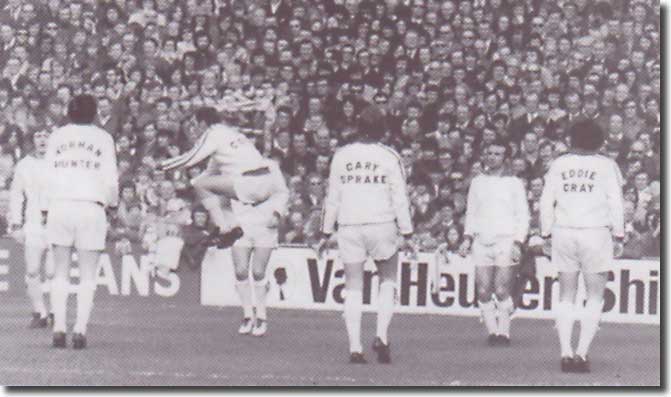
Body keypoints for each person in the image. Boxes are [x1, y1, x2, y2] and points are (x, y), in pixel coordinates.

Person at [314, 105, 415, 364]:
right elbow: (400, 197)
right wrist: (408, 232)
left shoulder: (341, 156)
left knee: (353, 285)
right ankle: (381, 335)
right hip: (382, 223)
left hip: (349, 225)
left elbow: (332, 198)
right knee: (388, 279)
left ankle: (355, 348)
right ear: (382, 128)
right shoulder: (389, 155)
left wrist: (326, 232)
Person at [540, 119, 625, 373]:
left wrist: (546, 233)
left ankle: (565, 352)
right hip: (595, 233)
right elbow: (616, 203)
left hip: (564, 232)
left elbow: (546, 202)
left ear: (571, 139)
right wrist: (619, 235)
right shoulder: (607, 166)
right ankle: (582, 353)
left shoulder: (558, 164)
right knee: (594, 296)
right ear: (599, 141)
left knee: (566, 294)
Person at [43, 94, 119, 349]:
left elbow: (48, 174)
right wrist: (114, 205)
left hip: (60, 205)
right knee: (88, 274)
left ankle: (59, 328)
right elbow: (111, 179)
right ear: (95, 113)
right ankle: (80, 330)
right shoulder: (104, 138)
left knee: (60, 272)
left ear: (69, 111)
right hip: (91, 207)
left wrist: (45, 208)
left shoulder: (57, 136)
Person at [159, 107, 281, 248]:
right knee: (215, 190)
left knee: (202, 185)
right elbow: (211, 171)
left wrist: (160, 166)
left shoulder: (212, 133)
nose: (194, 128)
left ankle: (222, 229)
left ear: (203, 123)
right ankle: (233, 229)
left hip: (249, 181)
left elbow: (190, 158)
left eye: (195, 124)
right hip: (264, 182)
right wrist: (190, 185)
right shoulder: (230, 134)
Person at [460, 138, 530, 346]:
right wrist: (467, 238)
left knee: (501, 290)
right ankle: (492, 332)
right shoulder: (477, 182)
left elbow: (522, 215)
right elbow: (471, 212)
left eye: (497, 154)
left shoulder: (514, 183)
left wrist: (518, 242)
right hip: (482, 240)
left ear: (505, 158)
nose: (492, 157)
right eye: (489, 153)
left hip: (505, 241)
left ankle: (504, 333)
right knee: (482, 291)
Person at [231, 159, 288, 337]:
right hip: (241, 224)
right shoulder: (232, 166)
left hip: (264, 226)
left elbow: (282, 192)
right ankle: (248, 315)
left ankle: (261, 316)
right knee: (240, 271)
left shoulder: (271, 166)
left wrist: (277, 213)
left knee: (257, 271)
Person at [9, 126, 53, 328]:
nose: (42, 139)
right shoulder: (24, 165)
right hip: (33, 223)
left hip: (57, 223)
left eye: (45, 135)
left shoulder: (59, 163)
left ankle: (54, 311)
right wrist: (16, 224)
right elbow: (16, 195)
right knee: (33, 270)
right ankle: (39, 312)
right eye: (38, 135)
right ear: (32, 139)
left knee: (53, 271)